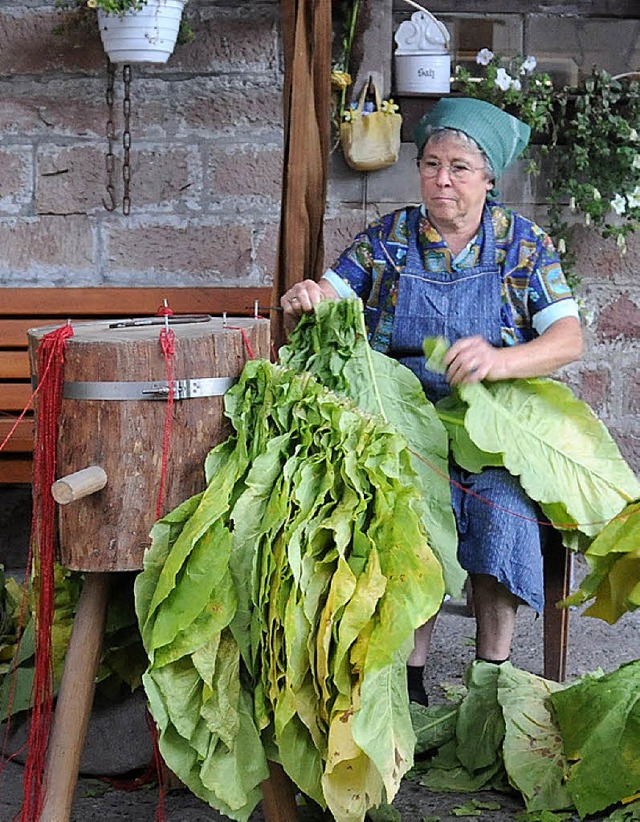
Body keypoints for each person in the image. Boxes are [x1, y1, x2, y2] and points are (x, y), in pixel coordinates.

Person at [280, 97, 583, 704]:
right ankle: (410, 684)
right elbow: (330, 300)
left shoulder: (523, 245)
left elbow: (567, 339)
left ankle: (492, 681)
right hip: (403, 427)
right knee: (413, 512)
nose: (441, 179)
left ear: (489, 178)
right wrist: (308, 298)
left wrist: (499, 360)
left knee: (501, 511)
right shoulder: (388, 240)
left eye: (459, 168)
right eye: (431, 165)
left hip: (492, 426)